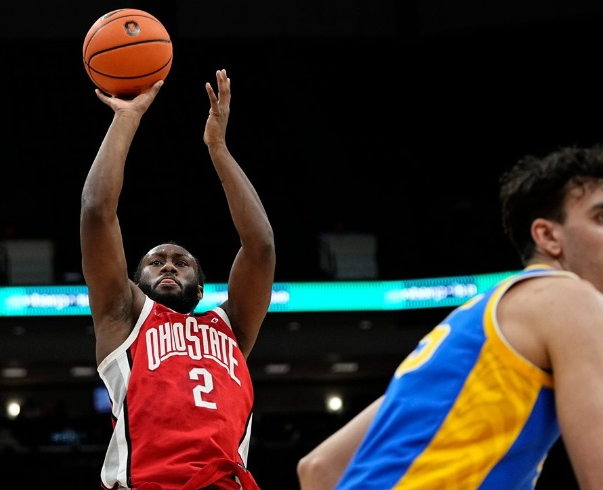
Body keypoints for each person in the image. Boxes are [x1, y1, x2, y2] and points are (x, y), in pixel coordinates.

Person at [296, 144, 603, 489]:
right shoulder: (571, 299)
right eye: (600, 217)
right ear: (548, 236)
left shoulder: (471, 329)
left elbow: (319, 467)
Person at [80, 68, 276, 490]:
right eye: (155, 262)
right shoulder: (125, 318)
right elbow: (97, 213)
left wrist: (218, 148)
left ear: (202, 289)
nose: (168, 265)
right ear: (133, 283)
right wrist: (126, 118)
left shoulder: (231, 327)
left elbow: (260, 247)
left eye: (182, 262)